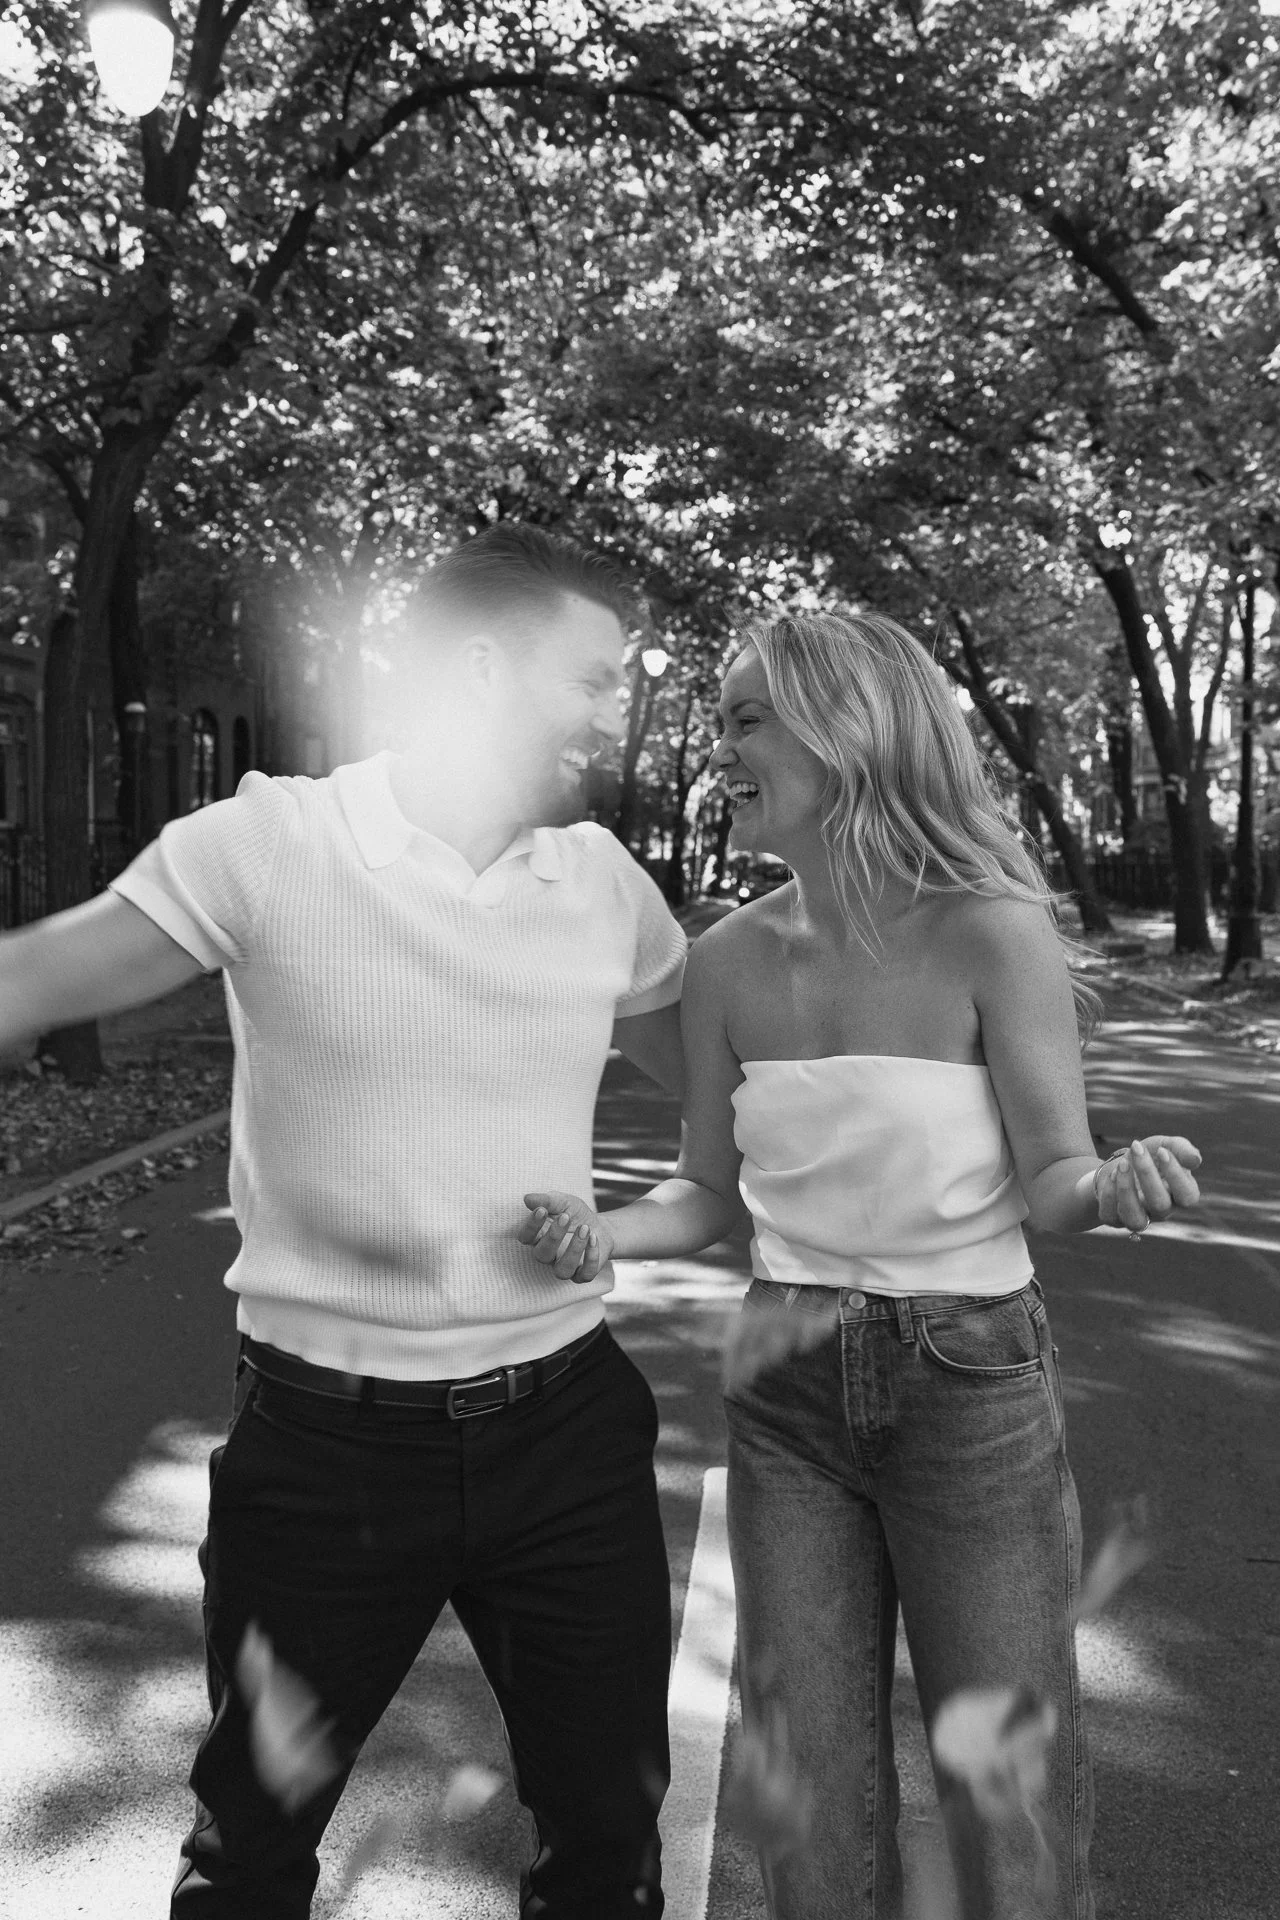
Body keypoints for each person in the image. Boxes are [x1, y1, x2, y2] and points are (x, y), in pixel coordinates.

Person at [0, 525, 688, 1918]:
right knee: (249, 1855)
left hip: (566, 1436)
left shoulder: (604, 882)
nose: (615, 710)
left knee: (609, 1845)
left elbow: (750, 1083)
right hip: (325, 1455)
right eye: (595, 676)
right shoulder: (270, 844)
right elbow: (31, 978)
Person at [519, 610, 1203, 1920]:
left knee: (1004, 1785)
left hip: (970, 1380)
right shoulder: (722, 962)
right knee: (808, 1793)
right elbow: (706, 1192)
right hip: (784, 1377)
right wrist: (605, 1229)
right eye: (720, 721)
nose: (719, 751)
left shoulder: (986, 933)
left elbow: (1055, 1179)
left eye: (744, 721)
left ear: (846, 734)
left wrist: (1112, 1187)